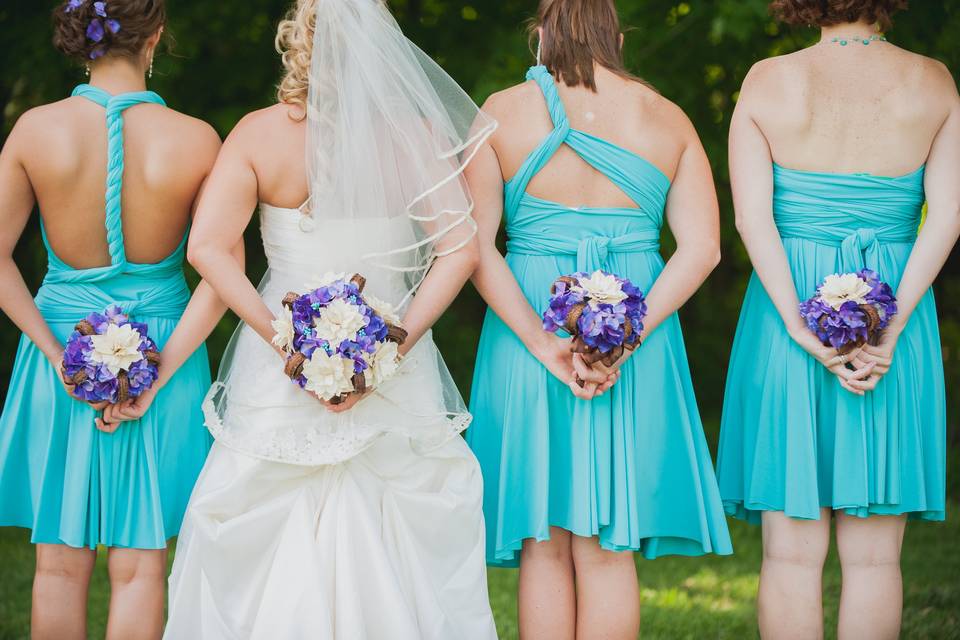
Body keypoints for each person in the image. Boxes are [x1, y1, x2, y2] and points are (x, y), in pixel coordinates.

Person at [162, 0, 499, 638]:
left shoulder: (258, 133)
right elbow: (461, 249)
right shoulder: (417, 138)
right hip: (394, 368)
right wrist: (391, 345)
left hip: (277, 367)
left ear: (300, 45)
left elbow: (206, 247)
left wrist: (283, 337)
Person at [465, 0, 733, 637]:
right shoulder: (664, 116)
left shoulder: (501, 113)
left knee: (545, 542)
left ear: (541, 35)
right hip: (633, 334)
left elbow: (472, 246)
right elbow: (703, 248)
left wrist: (540, 340)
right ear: (617, 34)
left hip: (530, 328)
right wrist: (629, 333)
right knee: (609, 547)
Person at [716, 1, 959, 637]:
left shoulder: (769, 81)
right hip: (893, 316)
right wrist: (893, 324)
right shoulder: (932, 80)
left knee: (789, 554)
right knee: (878, 557)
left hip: (785, 307)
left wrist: (798, 327)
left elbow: (751, 220)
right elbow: (950, 215)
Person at [0, 1, 228, 638]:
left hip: (62, 348)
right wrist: (159, 372)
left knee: (58, 568)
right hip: (167, 352)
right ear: (153, 38)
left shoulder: (35, 131)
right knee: (141, 566)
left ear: (83, 38)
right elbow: (220, 273)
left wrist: (54, 354)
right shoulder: (198, 138)